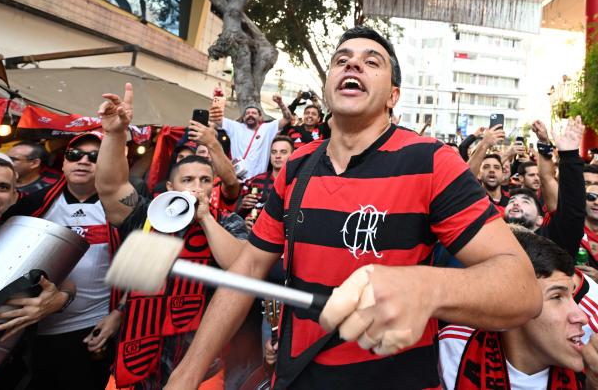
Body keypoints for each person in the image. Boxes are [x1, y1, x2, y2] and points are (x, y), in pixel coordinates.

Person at [164, 27, 541, 390]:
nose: (352, 66)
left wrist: (426, 288)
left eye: (371, 62)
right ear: (329, 85)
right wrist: (186, 373)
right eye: (341, 60)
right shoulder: (296, 166)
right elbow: (247, 269)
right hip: (298, 377)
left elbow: (522, 290)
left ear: (393, 96)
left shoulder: (431, 161)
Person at [95, 83, 248, 389]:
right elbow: (111, 189)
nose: (196, 186)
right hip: (137, 360)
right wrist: (114, 135)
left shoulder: (227, 223)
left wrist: (204, 218)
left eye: (205, 180)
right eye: (187, 179)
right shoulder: (147, 216)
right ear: (170, 188)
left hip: (199, 366)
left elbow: (240, 266)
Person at [0, 132, 121, 390]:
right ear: (63, 163)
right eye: (74, 155)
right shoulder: (32, 205)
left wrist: (119, 313)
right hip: (31, 329)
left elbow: (141, 268)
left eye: (94, 157)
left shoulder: (123, 211)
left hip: (92, 327)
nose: (83, 161)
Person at [439, 228, 598, 390]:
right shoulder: (452, 348)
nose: (582, 317)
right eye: (556, 297)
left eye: (572, 296)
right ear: (513, 306)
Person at [0, 157, 76, 390]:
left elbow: (66, 281)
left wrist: (58, 300)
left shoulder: (25, 240)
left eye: (1, 187)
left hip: (0, 374)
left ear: (13, 196)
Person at [504, 116, 585, 257]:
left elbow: (572, 210)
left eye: (525, 201)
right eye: (511, 201)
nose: (516, 203)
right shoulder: (492, 242)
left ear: (540, 220)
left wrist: (569, 155)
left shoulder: (555, 242)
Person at [211, 100, 292, 180]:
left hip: (257, 181)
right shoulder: (235, 127)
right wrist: (218, 99)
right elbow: (215, 118)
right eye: (247, 113)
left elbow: (287, 118)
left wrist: (280, 103)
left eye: (254, 113)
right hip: (237, 179)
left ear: (260, 117)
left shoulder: (267, 128)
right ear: (243, 117)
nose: (250, 115)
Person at [238, 135, 294, 226]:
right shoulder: (255, 181)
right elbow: (238, 214)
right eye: (274, 152)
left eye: (283, 152)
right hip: (252, 235)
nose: (278, 156)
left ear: (292, 154)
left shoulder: (297, 183)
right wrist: (242, 208)